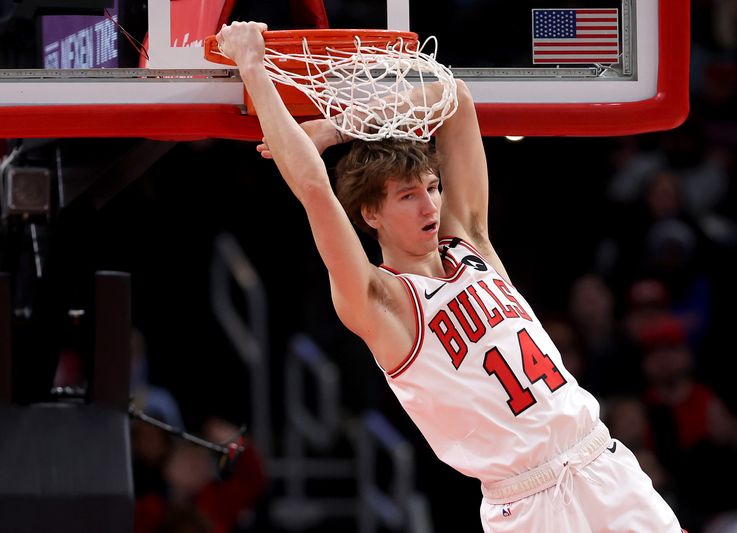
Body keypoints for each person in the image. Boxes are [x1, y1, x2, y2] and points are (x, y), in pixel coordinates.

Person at [215, 20, 684, 532]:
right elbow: (312, 187)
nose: (430, 204)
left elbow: (455, 98)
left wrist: (339, 126)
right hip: (525, 501)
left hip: (600, 462)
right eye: (408, 195)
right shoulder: (382, 300)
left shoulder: (470, 242)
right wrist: (253, 65)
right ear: (371, 213)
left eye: (432, 187)